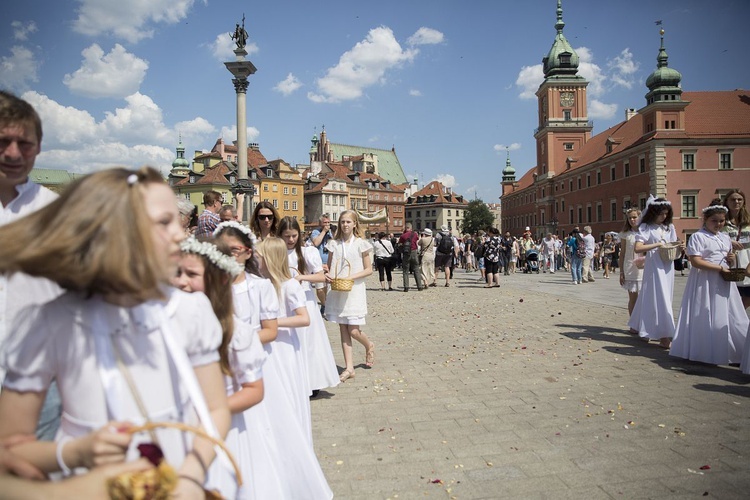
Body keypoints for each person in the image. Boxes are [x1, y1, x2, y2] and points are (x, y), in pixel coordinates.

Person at [0, 167, 231, 498]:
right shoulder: (53, 322)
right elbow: (11, 445)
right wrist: (75, 452)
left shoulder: (190, 311)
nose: (181, 235)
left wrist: (191, 477)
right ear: (119, 231)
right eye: (164, 223)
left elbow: (215, 409)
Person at [173, 237, 266, 499]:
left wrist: (212, 411)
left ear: (220, 279)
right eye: (176, 272)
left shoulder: (236, 333)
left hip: (226, 429)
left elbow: (254, 389)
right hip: (182, 429)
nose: (181, 281)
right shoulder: (170, 325)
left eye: (191, 274)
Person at [0, 91, 63, 442]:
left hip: (37, 376)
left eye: (24, 143)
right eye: (3, 141)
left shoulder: (52, 210)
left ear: (38, 147)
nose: (12, 153)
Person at [671, 201, 748, 365]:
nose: (718, 224)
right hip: (705, 280)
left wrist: (731, 260)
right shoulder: (699, 237)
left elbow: (729, 258)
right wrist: (719, 267)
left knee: (729, 313)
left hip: (724, 280)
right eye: (714, 221)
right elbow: (696, 261)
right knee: (706, 312)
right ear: (705, 219)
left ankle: (731, 350)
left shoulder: (725, 237)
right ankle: (704, 350)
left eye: (721, 221)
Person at [255, 238, 312, 441]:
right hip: (268, 346)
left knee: (285, 390)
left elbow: (304, 318)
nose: (254, 260)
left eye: (258, 257)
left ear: (269, 259)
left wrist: (274, 323)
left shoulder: (290, 286)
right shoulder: (262, 285)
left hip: (284, 346)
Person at [278, 216, 340, 396]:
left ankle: (312, 382)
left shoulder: (308, 252)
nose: (290, 240)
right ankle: (292, 381)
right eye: (286, 236)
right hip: (284, 302)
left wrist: (302, 277)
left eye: (294, 236)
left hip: (305, 300)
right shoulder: (277, 253)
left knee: (309, 342)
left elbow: (321, 277)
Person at [324, 210, 375, 382]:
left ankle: (369, 345)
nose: (345, 225)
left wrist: (350, 277)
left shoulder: (362, 244)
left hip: (355, 290)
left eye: (348, 222)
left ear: (354, 224)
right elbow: (330, 267)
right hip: (338, 290)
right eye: (342, 221)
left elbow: (369, 269)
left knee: (353, 330)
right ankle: (349, 367)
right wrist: (327, 274)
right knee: (343, 329)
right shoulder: (333, 244)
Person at [628, 196, 684, 349]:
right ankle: (664, 336)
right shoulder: (646, 227)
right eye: (661, 213)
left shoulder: (669, 227)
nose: (664, 216)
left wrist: (680, 246)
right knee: (660, 299)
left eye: (666, 213)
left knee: (659, 296)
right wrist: (657, 244)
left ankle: (640, 325)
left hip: (667, 265)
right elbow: (638, 248)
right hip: (654, 265)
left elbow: (672, 244)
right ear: (653, 212)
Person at [722, 189, 750, 308]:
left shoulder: (748, 222)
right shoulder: (721, 221)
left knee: (748, 297)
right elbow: (710, 238)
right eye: (733, 199)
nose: (736, 202)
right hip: (730, 265)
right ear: (727, 201)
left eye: (739, 199)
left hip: (747, 263)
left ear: (744, 202)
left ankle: (740, 317)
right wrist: (729, 241)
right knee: (730, 298)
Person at [619, 208, 644, 329]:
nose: (632, 220)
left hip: (644, 267)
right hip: (629, 266)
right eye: (630, 218)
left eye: (634, 217)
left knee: (645, 297)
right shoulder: (625, 234)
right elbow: (622, 253)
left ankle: (644, 323)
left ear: (640, 217)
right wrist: (621, 272)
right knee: (633, 298)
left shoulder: (645, 231)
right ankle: (634, 324)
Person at [310, 214, 334, 315]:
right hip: (318, 264)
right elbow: (316, 243)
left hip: (330, 263)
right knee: (320, 288)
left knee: (328, 288)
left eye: (328, 223)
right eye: (325, 223)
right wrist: (324, 231)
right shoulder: (316, 232)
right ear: (320, 223)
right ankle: (324, 305)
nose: (327, 225)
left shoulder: (331, 233)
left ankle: (327, 307)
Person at [397, 222, 423, 292]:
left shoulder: (403, 236)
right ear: (411, 228)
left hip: (406, 254)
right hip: (414, 252)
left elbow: (400, 243)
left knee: (405, 270)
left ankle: (406, 287)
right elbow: (417, 239)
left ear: (406, 228)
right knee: (416, 269)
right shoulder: (414, 234)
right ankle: (419, 286)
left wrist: (403, 232)